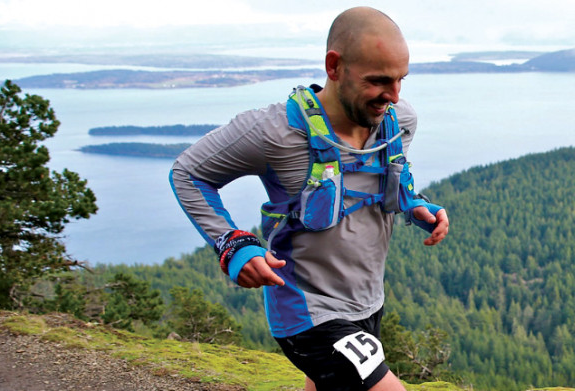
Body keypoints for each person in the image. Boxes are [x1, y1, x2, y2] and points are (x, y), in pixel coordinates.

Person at [170, 7, 449, 391]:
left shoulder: (397, 122)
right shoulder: (275, 132)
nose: (394, 95)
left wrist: (417, 206)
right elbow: (189, 173)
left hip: (368, 301)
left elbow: (388, 182)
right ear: (334, 66)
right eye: (379, 81)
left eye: (401, 79)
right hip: (305, 310)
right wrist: (232, 244)